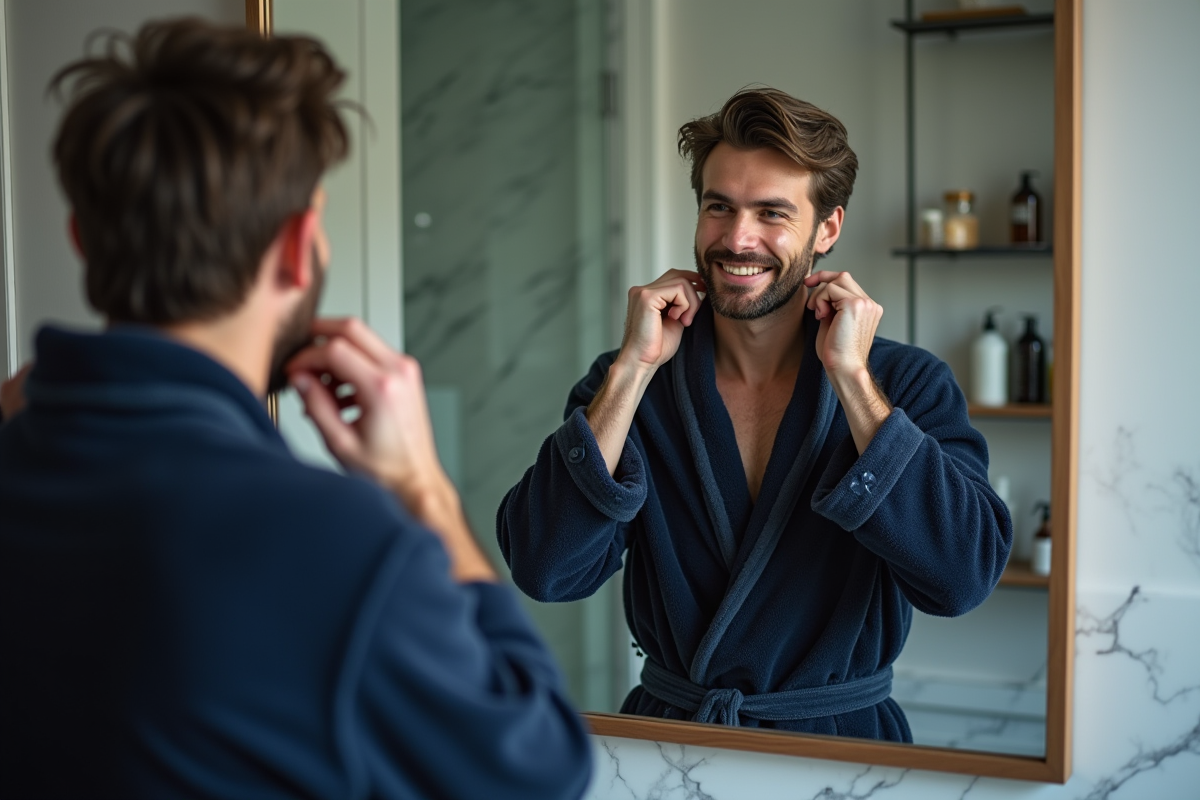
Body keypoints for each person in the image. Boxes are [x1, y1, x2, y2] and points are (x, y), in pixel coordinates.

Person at [0, 18, 591, 800]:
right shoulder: (341, 544)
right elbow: (543, 770)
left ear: (82, 237)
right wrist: (424, 492)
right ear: (298, 243)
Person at [497, 87, 1012, 742]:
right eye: (719, 207)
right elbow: (546, 568)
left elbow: (962, 579)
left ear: (827, 229)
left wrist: (852, 379)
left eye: (772, 213)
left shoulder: (905, 384)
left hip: (841, 751)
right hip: (673, 745)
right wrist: (631, 370)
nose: (737, 238)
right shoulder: (632, 381)